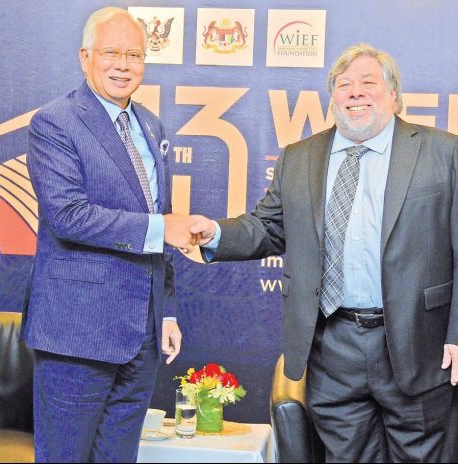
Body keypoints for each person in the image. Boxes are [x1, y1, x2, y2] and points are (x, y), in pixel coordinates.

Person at [190, 43, 458, 462]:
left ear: (393, 94)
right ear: (332, 96)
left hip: (418, 345)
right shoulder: (300, 157)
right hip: (332, 348)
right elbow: (267, 227)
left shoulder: (444, 152)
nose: (355, 92)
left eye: (368, 82)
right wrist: (215, 234)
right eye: (344, 84)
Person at [22, 6, 195, 463]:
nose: (123, 65)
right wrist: (162, 228)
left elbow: (160, 220)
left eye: (134, 55)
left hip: (142, 334)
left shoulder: (151, 125)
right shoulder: (55, 121)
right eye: (111, 53)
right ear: (86, 57)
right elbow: (68, 215)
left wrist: (167, 312)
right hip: (77, 332)